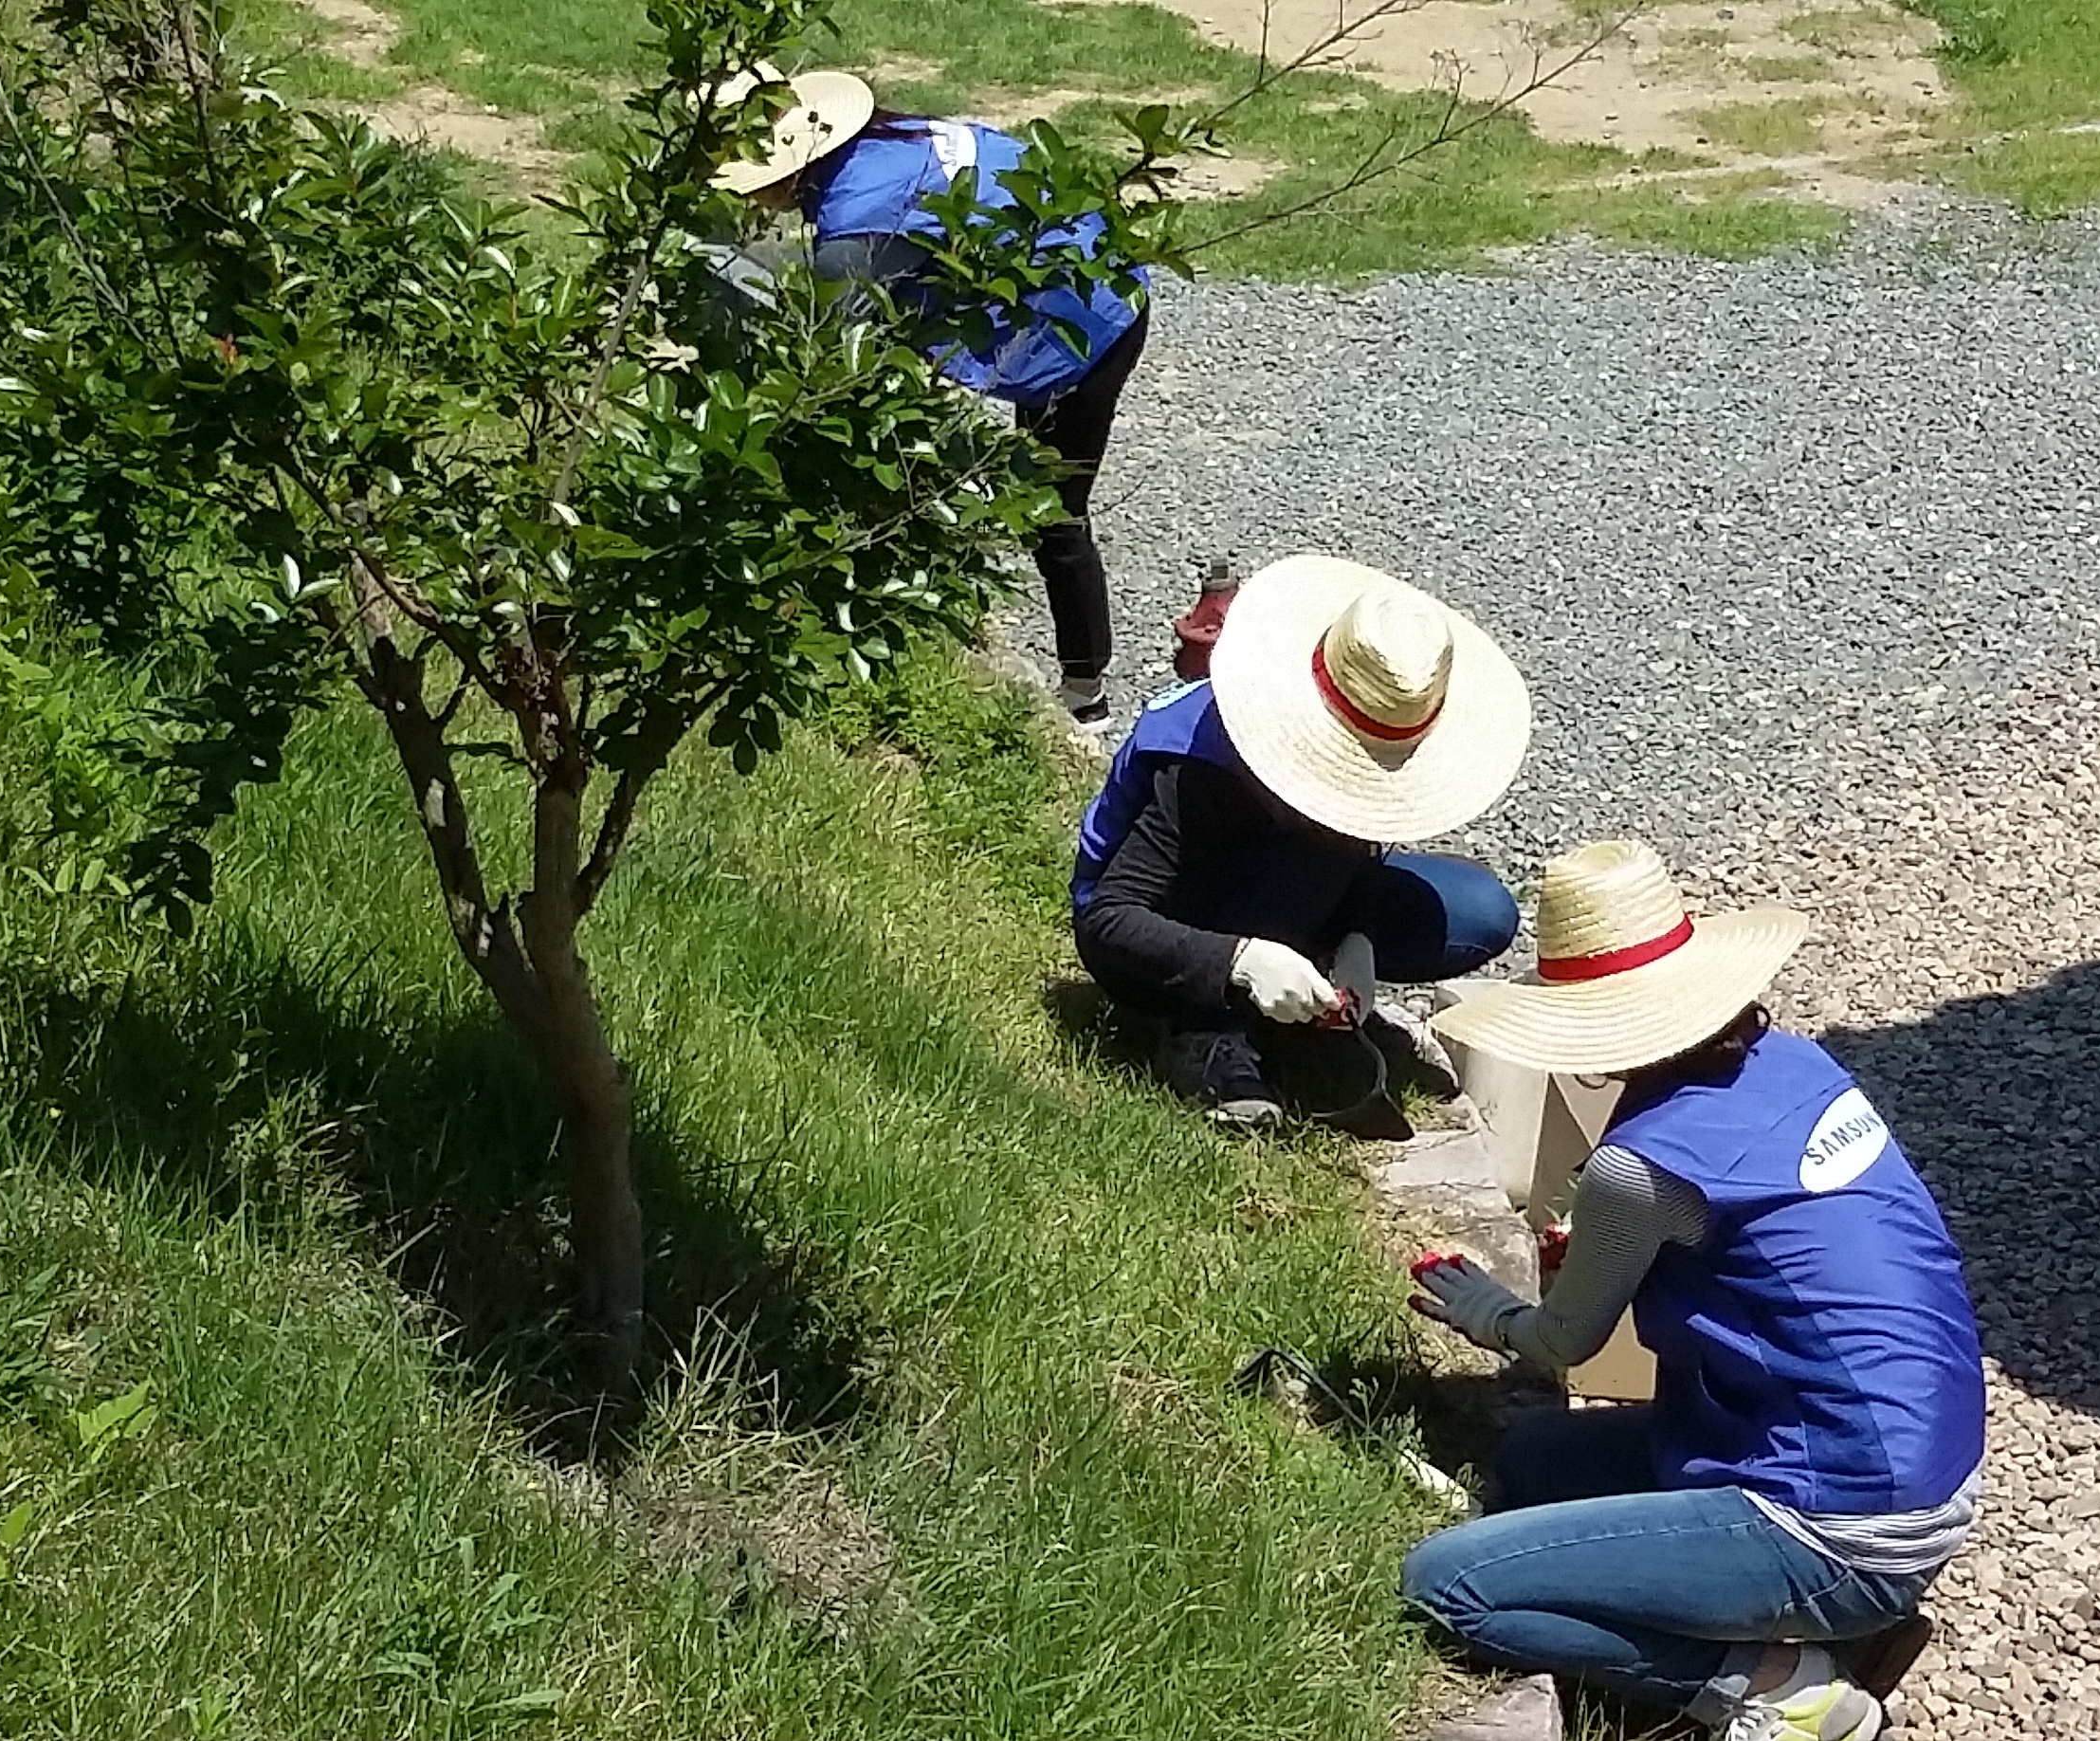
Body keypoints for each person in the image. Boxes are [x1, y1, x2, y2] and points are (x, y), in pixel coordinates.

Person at [1400, 840, 1987, 1741]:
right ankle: (1781, 1617)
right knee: (1529, 1463)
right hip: (1910, 1467)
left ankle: (1775, 1685)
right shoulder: (1799, 1065)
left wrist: (1489, 1309)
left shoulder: (1640, 1167)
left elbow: (1566, 1343)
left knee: (1447, 1586)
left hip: (1837, 1516)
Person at [712, 67, 1151, 724]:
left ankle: (1086, 692)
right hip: (1084, 273)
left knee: (1054, 516)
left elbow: (829, 348)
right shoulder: (887, 145)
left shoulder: (863, 215)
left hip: (1089, 325)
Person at [1071, 554, 1529, 1134]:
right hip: (1170, 911)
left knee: (1480, 912)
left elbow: (1357, 849)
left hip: (1294, 877)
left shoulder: (1370, 727)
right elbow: (1107, 920)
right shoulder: (1197, 770)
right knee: (1276, 895)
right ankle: (1205, 1025)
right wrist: (1241, 959)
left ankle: (1302, 983)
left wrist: (1355, 937)